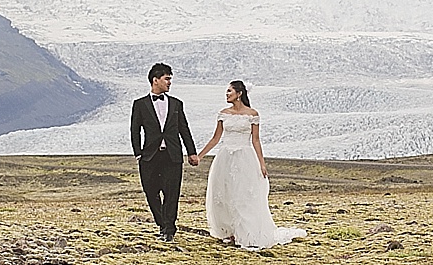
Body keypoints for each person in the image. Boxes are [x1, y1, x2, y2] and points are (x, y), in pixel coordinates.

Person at [197, 80, 306, 249]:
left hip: (244, 157)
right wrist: (200, 156)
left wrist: (262, 163)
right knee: (224, 193)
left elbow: (256, 140)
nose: (226, 94)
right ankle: (228, 231)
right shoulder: (223, 114)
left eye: (229, 91)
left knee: (243, 194)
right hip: (225, 156)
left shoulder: (252, 114)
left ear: (239, 93)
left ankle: (245, 232)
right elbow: (215, 138)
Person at [130, 63, 198, 241]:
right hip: (149, 156)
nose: (169, 83)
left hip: (172, 155)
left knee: (172, 193)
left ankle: (169, 229)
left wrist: (192, 152)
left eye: (170, 79)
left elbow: (184, 128)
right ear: (155, 80)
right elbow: (134, 130)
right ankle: (162, 223)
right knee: (151, 192)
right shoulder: (140, 104)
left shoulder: (176, 104)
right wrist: (138, 153)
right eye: (166, 79)